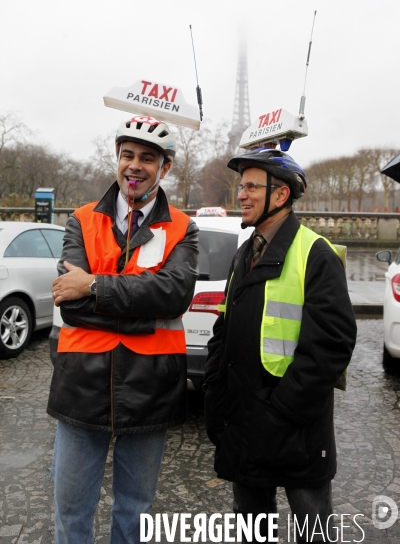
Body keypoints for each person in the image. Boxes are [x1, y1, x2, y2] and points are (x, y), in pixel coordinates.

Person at [47, 115, 199, 544]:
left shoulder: (184, 228)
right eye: (127, 155)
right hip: (81, 383)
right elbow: (72, 308)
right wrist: (141, 307)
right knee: (71, 513)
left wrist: (93, 284)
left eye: (147, 158)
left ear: (164, 167)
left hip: (150, 387)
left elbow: (173, 296)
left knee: (136, 514)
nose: (135, 165)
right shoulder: (80, 219)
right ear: (117, 158)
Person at [203, 147, 357, 543]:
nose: (241, 194)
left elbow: (331, 346)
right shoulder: (244, 253)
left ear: (281, 194)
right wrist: (216, 397)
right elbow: (224, 330)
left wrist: (281, 412)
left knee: (314, 534)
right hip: (245, 427)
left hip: (296, 432)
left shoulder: (315, 253)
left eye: (252, 186)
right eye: (241, 185)